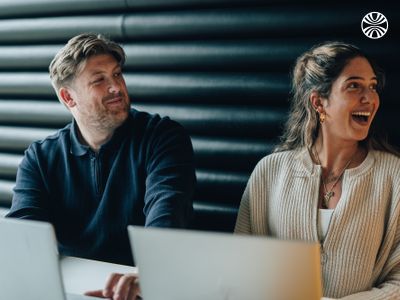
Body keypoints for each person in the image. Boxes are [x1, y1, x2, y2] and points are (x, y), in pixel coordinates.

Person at [6, 33, 196, 268]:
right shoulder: (40, 158)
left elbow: (168, 216)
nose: (116, 87)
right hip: (72, 287)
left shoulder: (163, 138)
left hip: (145, 281)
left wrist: (147, 274)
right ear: (68, 97)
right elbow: (22, 237)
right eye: (99, 80)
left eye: (117, 74)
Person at [235, 41, 400, 299]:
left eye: (373, 86)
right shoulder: (269, 172)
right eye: (354, 85)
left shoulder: (394, 175)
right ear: (319, 103)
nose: (370, 98)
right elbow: (242, 267)